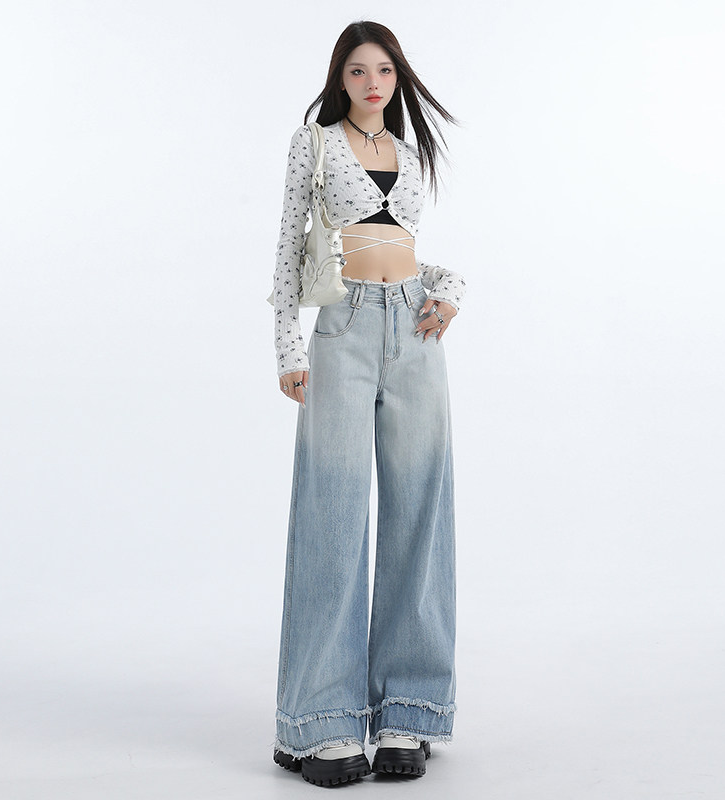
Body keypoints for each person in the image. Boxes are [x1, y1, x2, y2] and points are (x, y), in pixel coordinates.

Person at [270, 20, 466, 787]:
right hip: (341, 328)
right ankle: (319, 722)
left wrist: (450, 290)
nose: (373, 83)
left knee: (421, 511)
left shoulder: (410, 155)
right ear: (340, 78)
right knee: (333, 516)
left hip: (414, 329)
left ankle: (407, 713)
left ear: (398, 76)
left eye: (383, 70)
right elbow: (289, 245)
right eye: (358, 71)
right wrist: (287, 349)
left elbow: (404, 249)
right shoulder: (314, 143)